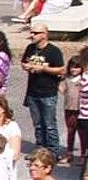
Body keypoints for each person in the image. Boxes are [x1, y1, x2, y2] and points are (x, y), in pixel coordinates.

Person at [21, 24, 66, 162]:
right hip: (33, 92)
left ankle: (54, 150)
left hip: (48, 92)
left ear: (44, 34)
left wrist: (43, 69)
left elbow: (62, 70)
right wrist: (27, 66)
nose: (32, 35)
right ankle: (40, 149)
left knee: (49, 124)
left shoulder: (53, 51)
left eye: (35, 33)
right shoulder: (30, 48)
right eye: (31, 32)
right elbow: (23, 62)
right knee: (38, 124)